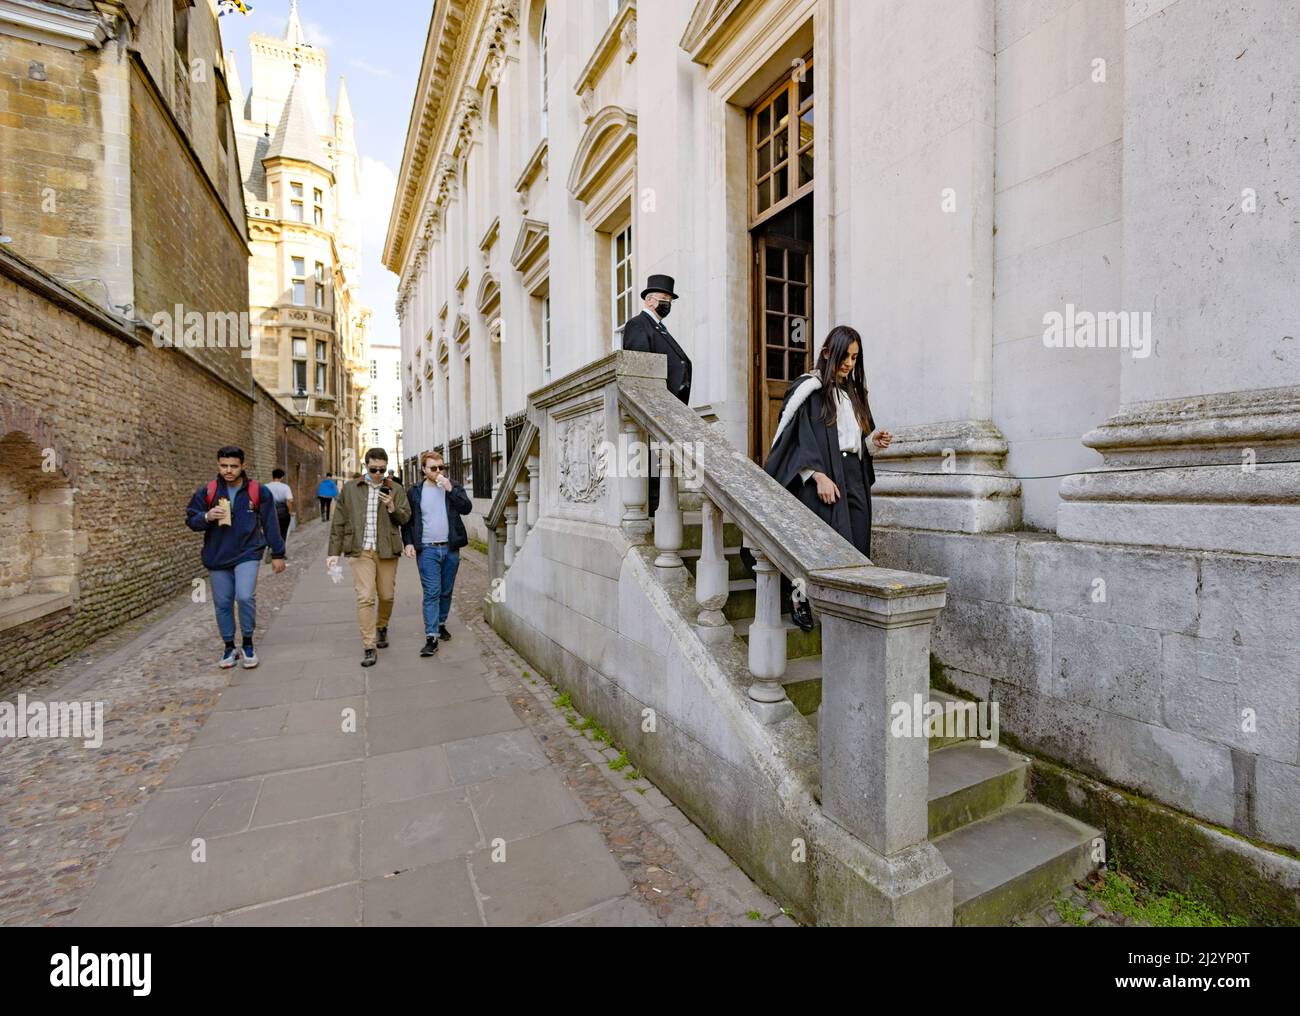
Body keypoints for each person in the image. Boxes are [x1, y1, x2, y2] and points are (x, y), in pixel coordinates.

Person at [762, 325, 892, 631]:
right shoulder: (810, 390)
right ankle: (799, 598)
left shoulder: (855, 394)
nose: (848, 363)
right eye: (844, 356)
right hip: (821, 476)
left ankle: (847, 607)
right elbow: (797, 440)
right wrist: (817, 476)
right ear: (826, 354)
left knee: (856, 541)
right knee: (812, 542)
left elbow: (857, 441)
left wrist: (874, 441)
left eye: (854, 357)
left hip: (854, 475)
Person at [185, 445, 286, 668]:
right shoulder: (208, 491)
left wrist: (278, 553)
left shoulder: (258, 491)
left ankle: (248, 642)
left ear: (243, 466)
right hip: (217, 555)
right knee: (222, 603)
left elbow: (271, 523)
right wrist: (206, 516)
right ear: (218, 465)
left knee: (244, 596)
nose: (228, 470)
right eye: (224, 466)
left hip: (248, 552)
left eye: (233, 466)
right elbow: (191, 520)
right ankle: (229, 646)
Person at [326, 448, 412, 667]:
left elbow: (405, 518)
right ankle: (369, 645)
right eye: (373, 469)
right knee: (365, 597)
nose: (377, 474)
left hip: (387, 549)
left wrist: (392, 506)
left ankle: (382, 625)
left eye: (381, 470)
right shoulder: (350, 489)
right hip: (360, 550)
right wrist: (333, 553)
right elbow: (338, 522)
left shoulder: (396, 489)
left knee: (387, 595)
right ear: (365, 466)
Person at [620, 274, 692, 516]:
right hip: (654, 408)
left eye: (670, 300)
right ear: (650, 301)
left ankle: (657, 507)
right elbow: (641, 368)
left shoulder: (660, 328)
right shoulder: (638, 325)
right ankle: (652, 511)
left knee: (660, 462)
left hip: (669, 407)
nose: (668, 304)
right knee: (651, 462)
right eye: (664, 299)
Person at [402, 449, 473, 657]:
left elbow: (466, 508)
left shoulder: (453, 487)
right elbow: (408, 521)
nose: (438, 471)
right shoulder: (415, 492)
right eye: (433, 468)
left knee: (446, 590)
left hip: (450, 548)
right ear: (424, 470)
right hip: (428, 549)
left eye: (441, 467)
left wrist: (450, 489)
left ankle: (441, 623)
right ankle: (431, 636)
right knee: (432, 591)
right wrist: (408, 542)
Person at [266, 468, 294, 543]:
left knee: (271, 531)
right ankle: (280, 551)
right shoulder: (285, 487)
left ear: (273, 476)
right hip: (283, 512)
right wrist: (290, 511)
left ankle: (271, 548)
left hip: (269, 511)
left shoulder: (266, 487)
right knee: (283, 532)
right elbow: (289, 501)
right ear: (282, 477)